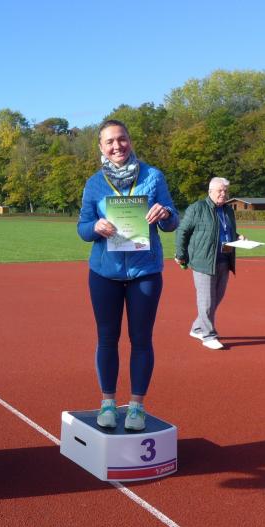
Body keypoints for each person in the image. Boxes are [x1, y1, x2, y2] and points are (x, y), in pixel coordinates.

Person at [77, 119, 179, 431]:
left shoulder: (153, 176)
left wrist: (164, 213)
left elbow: (172, 221)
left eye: (121, 139)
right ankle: (108, 402)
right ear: (101, 147)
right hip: (104, 274)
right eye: (109, 141)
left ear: (130, 141)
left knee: (142, 339)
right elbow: (83, 228)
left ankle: (136, 406)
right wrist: (95, 227)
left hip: (144, 273)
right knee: (107, 338)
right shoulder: (94, 184)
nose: (117, 146)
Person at [174, 177, 242, 350]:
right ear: (210, 191)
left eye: (225, 191)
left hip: (224, 260)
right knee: (206, 301)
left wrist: (238, 236)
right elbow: (182, 231)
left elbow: (227, 231)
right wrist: (181, 254)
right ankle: (208, 335)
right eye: (220, 190)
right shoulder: (197, 208)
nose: (223, 194)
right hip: (203, 261)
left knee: (216, 298)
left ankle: (197, 328)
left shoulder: (228, 210)